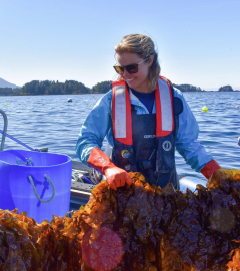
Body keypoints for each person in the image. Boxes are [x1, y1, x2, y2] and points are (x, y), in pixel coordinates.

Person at [76, 34, 220, 190]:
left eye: (132, 68)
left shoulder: (174, 98)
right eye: (120, 68)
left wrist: (222, 178)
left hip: (167, 196)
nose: (125, 75)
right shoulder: (110, 101)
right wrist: (107, 167)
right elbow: (85, 141)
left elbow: (190, 146)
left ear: (150, 60)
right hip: (123, 197)